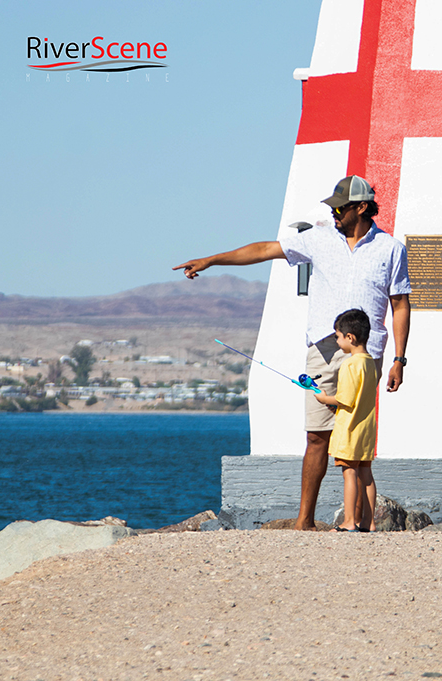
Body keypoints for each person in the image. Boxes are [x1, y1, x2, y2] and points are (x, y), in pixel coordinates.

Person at [174, 175, 411, 530]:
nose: (334, 213)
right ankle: (305, 520)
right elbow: (264, 250)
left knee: (359, 439)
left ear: (361, 208)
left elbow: (400, 304)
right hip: (324, 348)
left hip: (366, 356)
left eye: (341, 207)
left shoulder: (391, 249)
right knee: (317, 435)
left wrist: (398, 359)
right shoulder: (318, 238)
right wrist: (212, 260)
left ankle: (361, 523)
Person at [314, 309, 378, 532]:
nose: (338, 341)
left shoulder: (350, 365)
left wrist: (324, 398)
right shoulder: (371, 363)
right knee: (366, 475)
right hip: (367, 429)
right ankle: (369, 523)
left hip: (350, 429)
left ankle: (349, 521)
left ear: (349, 337)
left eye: (338, 336)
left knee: (349, 473)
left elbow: (345, 399)